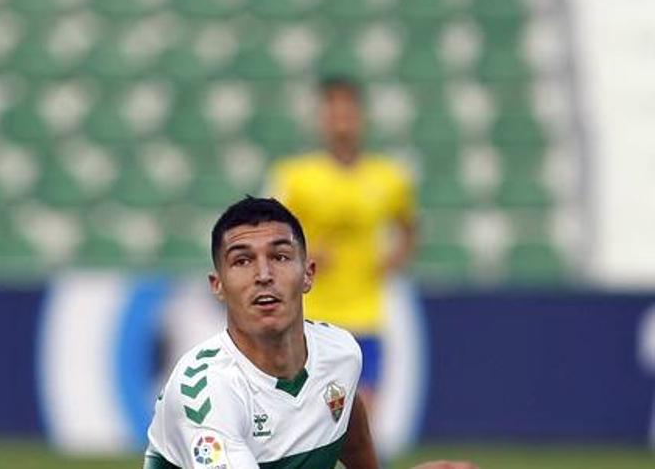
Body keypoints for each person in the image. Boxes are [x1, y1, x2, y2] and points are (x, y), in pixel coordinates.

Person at [143, 196, 471, 469]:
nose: (264, 274)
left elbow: (351, 437)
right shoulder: (205, 392)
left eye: (280, 256)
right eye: (242, 261)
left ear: (308, 274)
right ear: (218, 286)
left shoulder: (340, 352)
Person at [266, 77, 418, 407]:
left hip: (366, 315)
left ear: (362, 119)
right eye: (333, 115)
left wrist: (393, 259)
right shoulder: (296, 176)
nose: (341, 124)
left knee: (362, 412)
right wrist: (302, 253)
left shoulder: (388, 177)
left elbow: (409, 228)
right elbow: (269, 234)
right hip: (310, 315)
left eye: (348, 115)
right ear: (321, 121)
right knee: (306, 416)